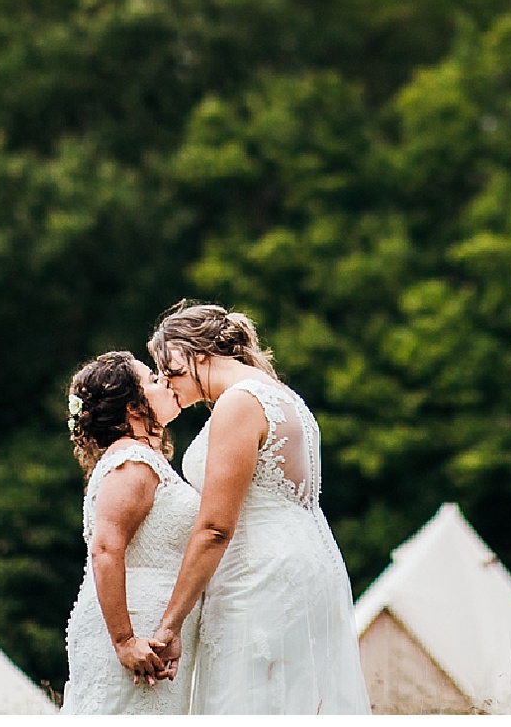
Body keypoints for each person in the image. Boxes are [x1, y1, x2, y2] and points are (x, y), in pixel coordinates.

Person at [142, 301, 369, 714]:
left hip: (259, 574)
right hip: (308, 563)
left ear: (199, 354)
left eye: (167, 364)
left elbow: (215, 527)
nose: (163, 378)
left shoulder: (239, 402)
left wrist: (170, 622)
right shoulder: (285, 397)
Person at [61, 351, 199, 714]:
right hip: (136, 629)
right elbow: (106, 548)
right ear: (134, 409)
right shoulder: (132, 463)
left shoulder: (142, 459)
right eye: (152, 380)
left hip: (152, 625)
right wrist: (123, 641)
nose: (163, 381)